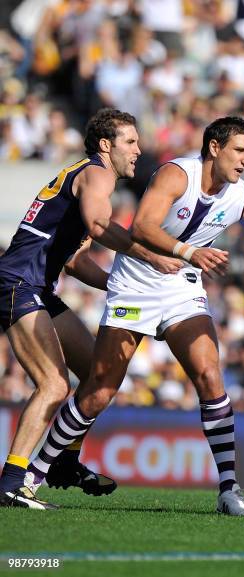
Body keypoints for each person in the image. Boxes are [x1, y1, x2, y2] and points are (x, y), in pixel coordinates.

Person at [26, 116, 244, 516]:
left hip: (181, 287)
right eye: (240, 150)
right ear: (214, 148)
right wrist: (189, 253)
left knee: (209, 375)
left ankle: (229, 489)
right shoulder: (175, 174)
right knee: (99, 390)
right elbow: (143, 226)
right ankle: (34, 474)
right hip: (136, 282)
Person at [0, 108, 182, 509]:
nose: (138, 150)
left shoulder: (89, 178)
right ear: (106, 145)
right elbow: (99, 227)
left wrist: (115, 283)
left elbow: (75, 260)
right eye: (130, 142)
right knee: (54, 385)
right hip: (17, 283)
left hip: (37, 287)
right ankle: (12, 481)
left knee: (97, 376)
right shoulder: (96, 174)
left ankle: (64, 461)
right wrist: (151, 257)